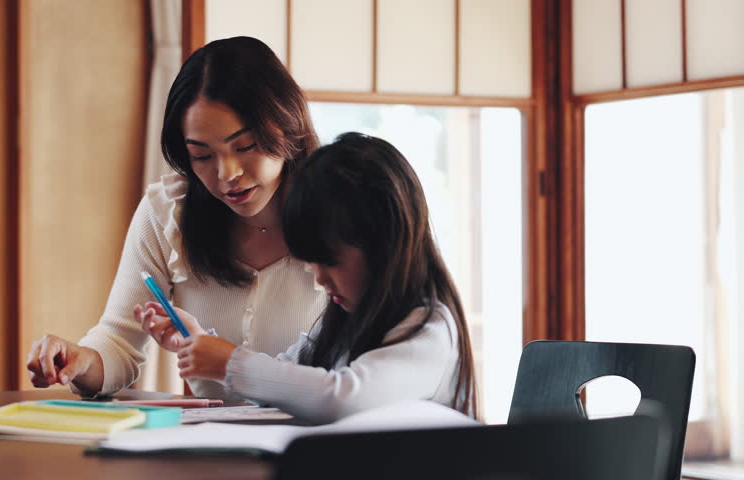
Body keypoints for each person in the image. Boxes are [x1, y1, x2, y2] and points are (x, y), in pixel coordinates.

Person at [26, 36, 326, 398]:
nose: (227, 173)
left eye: (245, 146)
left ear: (287, 123)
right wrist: (81, 360)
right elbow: (118, 341)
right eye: (202, 156)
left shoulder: (340, 213)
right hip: (211, 433)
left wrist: (229, 362)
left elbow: (358, 373)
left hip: (325, 431)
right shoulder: (169, 213)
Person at [139, 133, 477, 423]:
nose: (321, 279)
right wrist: (200, 343)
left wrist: (230, 363)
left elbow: (341, 398)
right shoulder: (345, 320)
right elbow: (285, 381)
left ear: (384, 244)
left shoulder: (430, 329)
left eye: (329, 261)